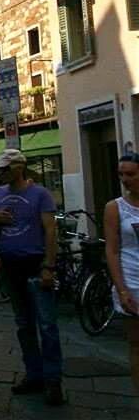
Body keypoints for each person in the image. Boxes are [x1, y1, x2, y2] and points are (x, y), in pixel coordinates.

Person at [0, 148, 64, 405]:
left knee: (47, 324)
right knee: (23, 325)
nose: (0, 173)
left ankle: (53, 381)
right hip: (10, 266)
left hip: (35, 264)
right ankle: (34, 375)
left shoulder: (40, 194)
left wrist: (48, 266)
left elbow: (51, 231)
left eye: (4, 169)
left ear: (19, 167)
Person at [104, 152, 139, 391]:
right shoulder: (114, 208)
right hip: (132, 280)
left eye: (131, 174)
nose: (125, 179)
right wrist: (121, 288)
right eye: (121, 174)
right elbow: (112, 250)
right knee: (136, 344)